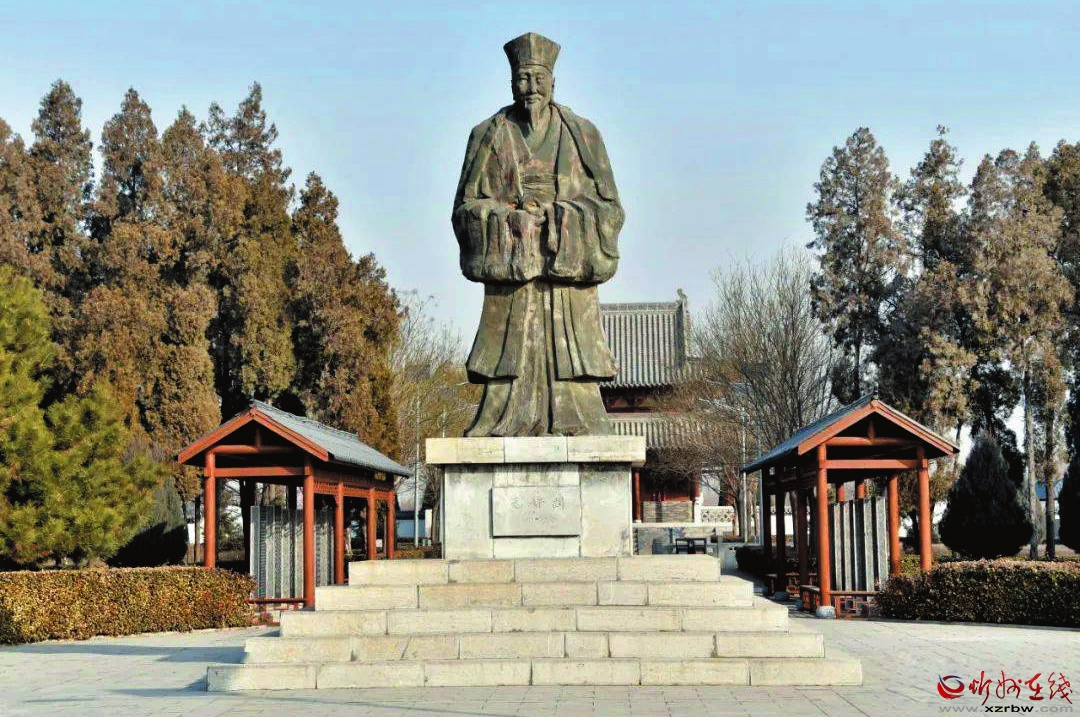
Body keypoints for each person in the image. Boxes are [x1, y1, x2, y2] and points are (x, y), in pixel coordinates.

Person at [452, 32, 625, 437]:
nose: (530, 87)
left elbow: (610, 208)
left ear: (553, 82)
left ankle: (575, 412)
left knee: (572, 355)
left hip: (565, 272)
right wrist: (509, 222)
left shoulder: (583, 134)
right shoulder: (487, 135)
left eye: (538, 78)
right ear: (511, 83)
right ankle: (501, 414)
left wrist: (560, 219)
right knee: (508, 349)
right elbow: (464, 209)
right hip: (513, 269)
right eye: (522, 79)